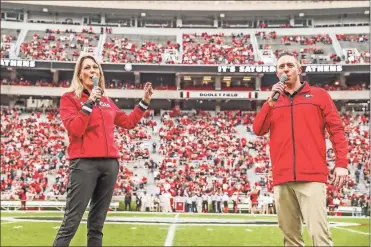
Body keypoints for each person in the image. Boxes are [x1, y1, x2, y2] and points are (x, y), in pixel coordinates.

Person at [53, 54, 153, 247]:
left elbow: (128, 122)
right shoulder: (69, 98)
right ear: (80, 75)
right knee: (71, 223)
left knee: (97, 225)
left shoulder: (106, 100)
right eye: (87, 68)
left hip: (110, 165)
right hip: (84, 164)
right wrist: (89, 103)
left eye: (95, 67)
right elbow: (75, 129)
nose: (92, 71)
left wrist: (144, 102)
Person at [253, 52, 348, 247]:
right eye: (281, 67)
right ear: (276, 72)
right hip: (282, 178)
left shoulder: (319, 95)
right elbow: (258, 129)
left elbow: (337, 130)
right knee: (291, 240)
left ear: (299, 69)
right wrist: (269, 102)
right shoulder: (273, 101)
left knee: (319, 237)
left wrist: (341, 164)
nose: (285, 69)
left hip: (312, 176)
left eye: (290, 65)